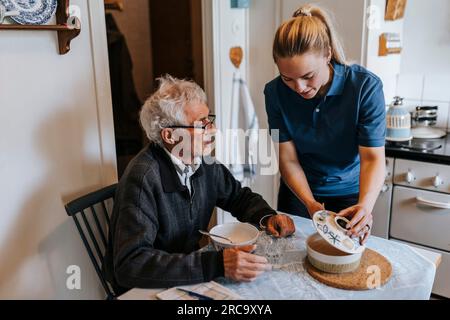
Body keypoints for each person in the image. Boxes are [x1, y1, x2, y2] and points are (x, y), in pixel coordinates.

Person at [104, 75, 295, 294]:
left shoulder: (202, 162)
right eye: (201, 124)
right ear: (170, 135)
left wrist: (268, 217)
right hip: (145, 287)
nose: (212, 130)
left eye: (209, 119)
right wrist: (216, 264)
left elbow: (239, 198)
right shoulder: (143, 178)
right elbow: (130, 264)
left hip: (187, 272)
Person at [264, 4, 386, 245]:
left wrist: (365, 206)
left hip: (350, 195)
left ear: (327, 54)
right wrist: (309, 204)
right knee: (290, 258)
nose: (298, 88)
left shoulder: (365, 88)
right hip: (298, 193)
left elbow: (373, 158)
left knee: (344, 259)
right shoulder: (274, 93)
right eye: (288, 78)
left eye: (308, 76)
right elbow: (288, 159)